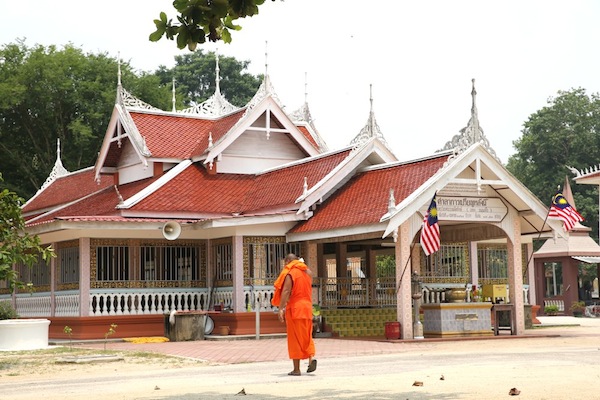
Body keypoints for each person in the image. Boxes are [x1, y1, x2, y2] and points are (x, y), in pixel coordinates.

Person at [272, 253, 317, 376]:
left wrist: (281, 308)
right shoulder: (308, 272)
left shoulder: (291, 273)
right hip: (307, 308)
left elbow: (286, 290)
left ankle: (296, 369)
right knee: (307, 335)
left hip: (296, 308)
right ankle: (311, 359)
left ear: (287, 262)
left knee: (295, 338)